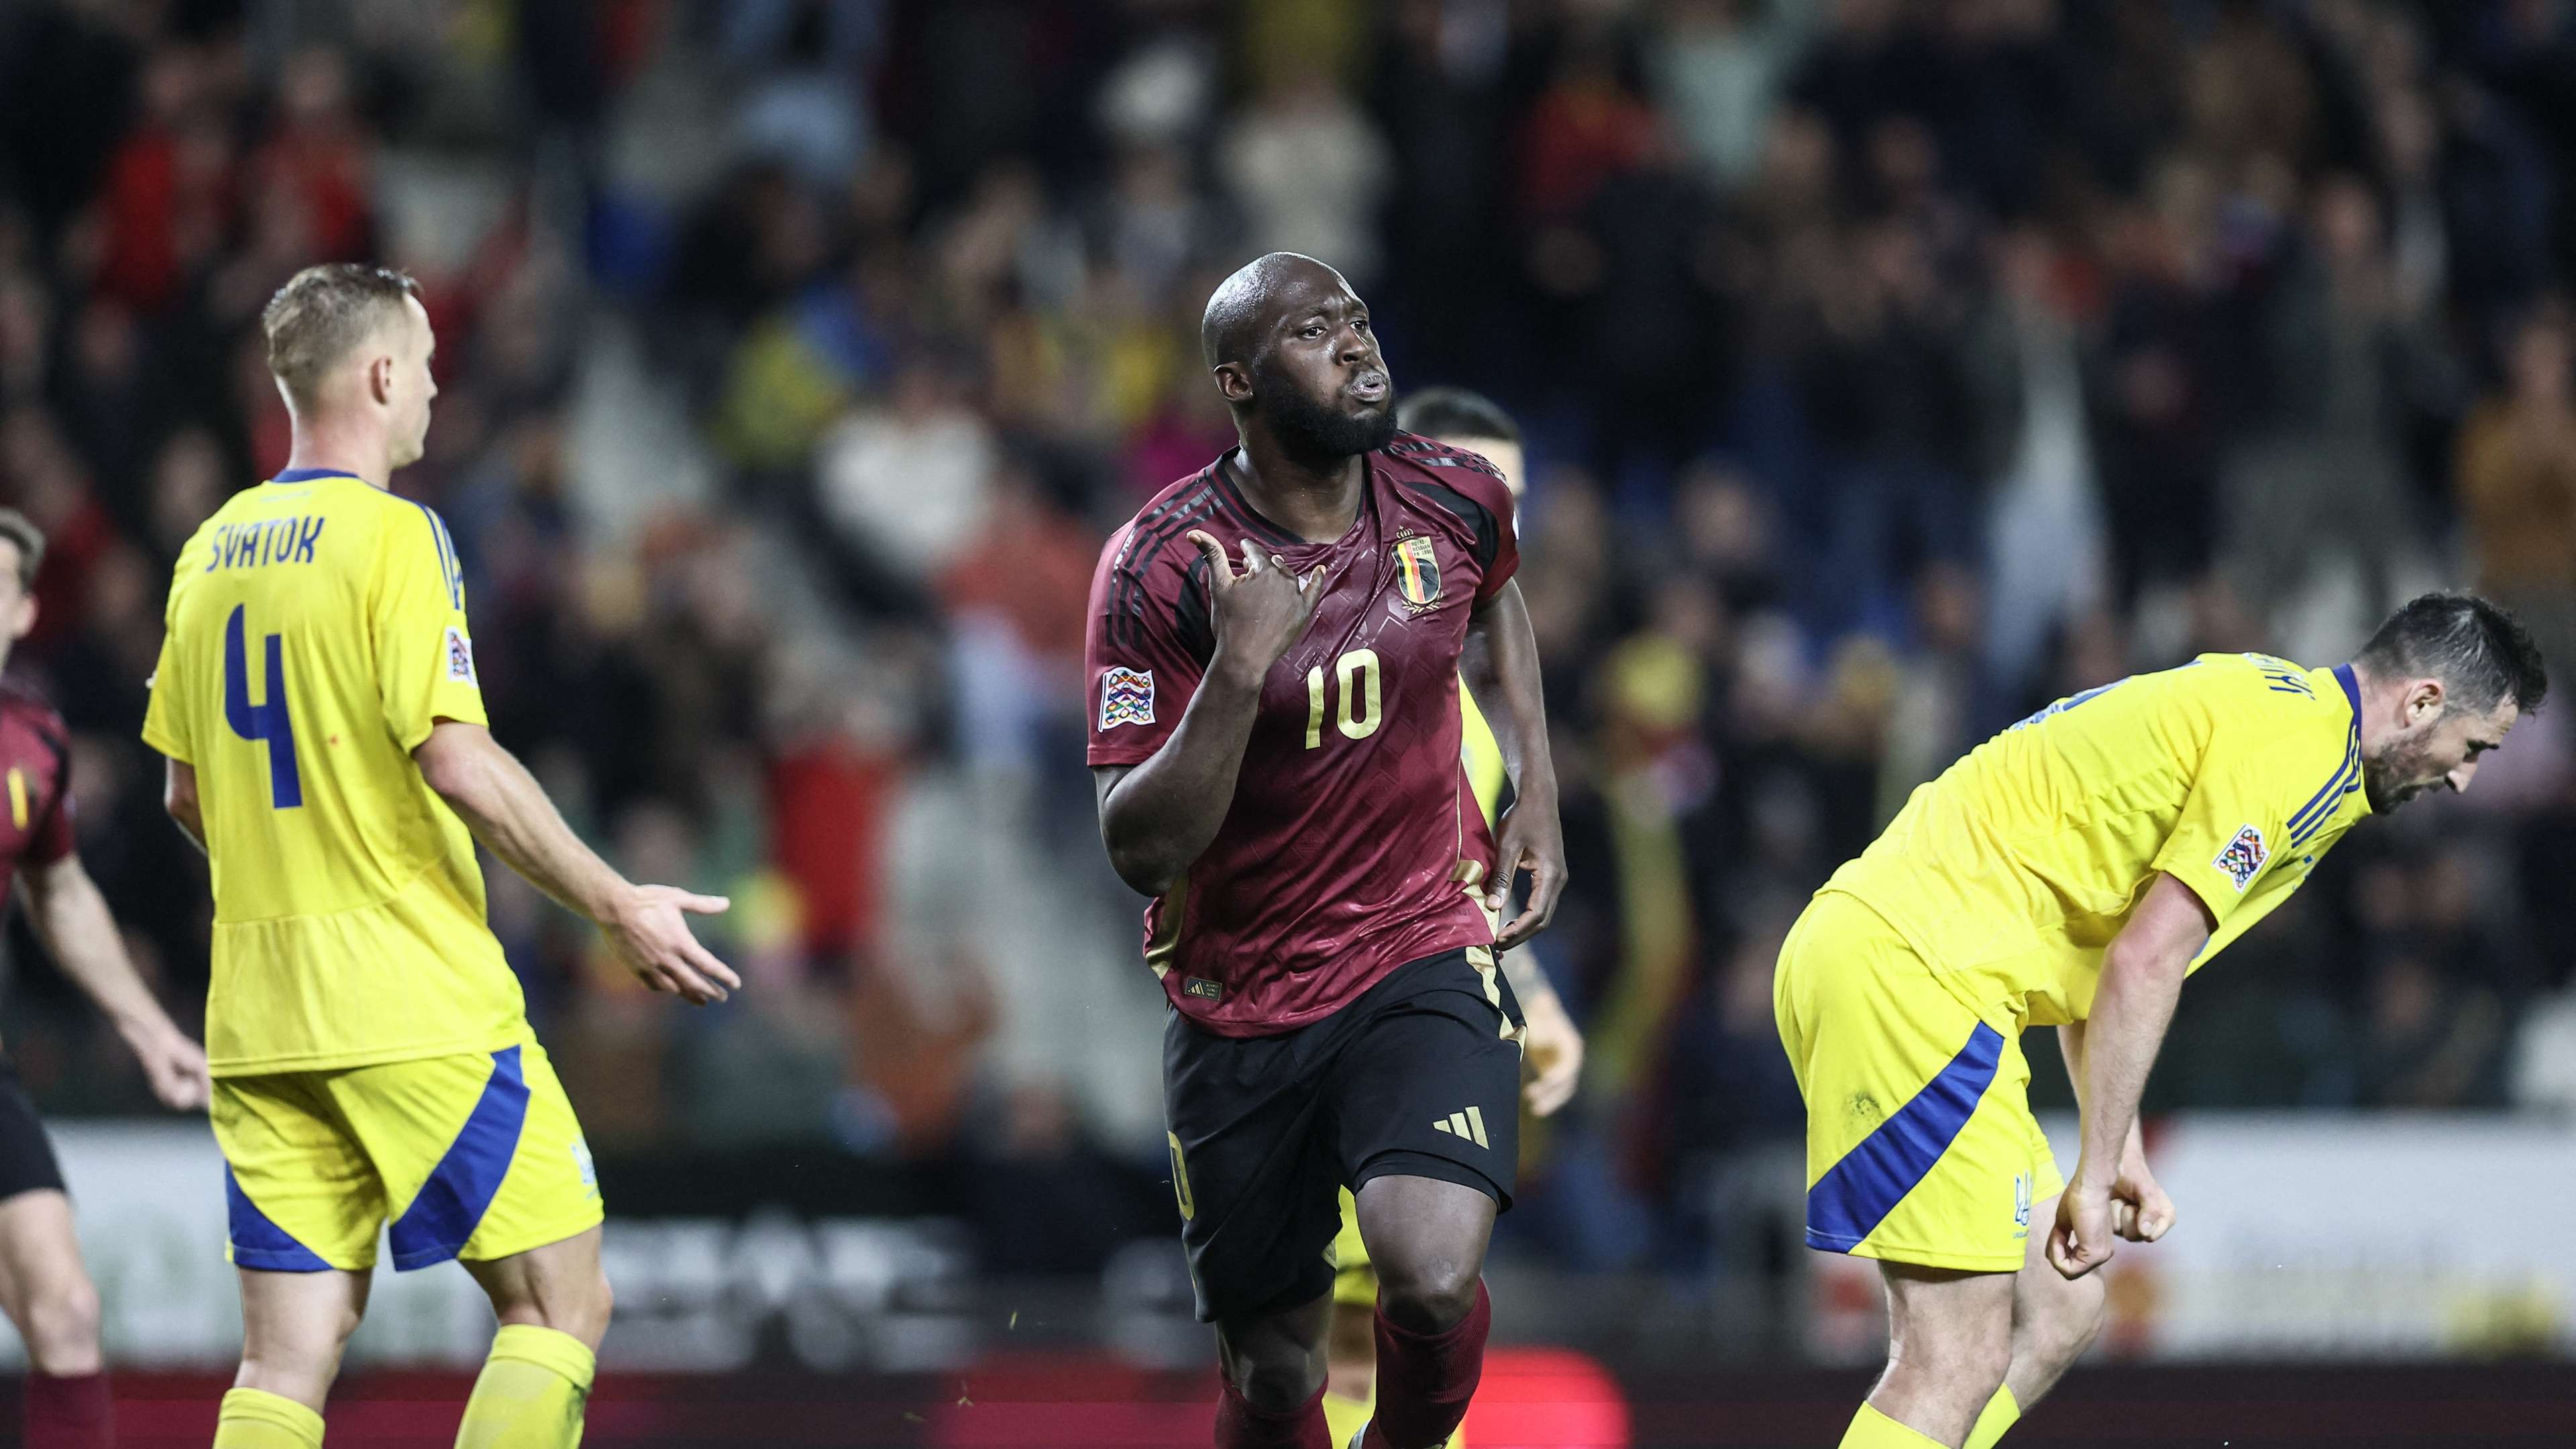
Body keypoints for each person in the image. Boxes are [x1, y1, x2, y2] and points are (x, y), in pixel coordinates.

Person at [140, 264, 740, 1449]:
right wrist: (615, 901)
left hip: (260, 1017)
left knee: (284, 1356)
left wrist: (298, 859)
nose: (431, 386)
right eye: (421, 363)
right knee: (562, 1300)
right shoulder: (397, 536)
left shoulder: (209, 550)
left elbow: (184, 792)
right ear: (375, 374)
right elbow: (459, 763)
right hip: (410, 998)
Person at [1779, 594, 2545, 1449]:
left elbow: (2101, 947)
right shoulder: (2298, 757)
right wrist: (2096, 1168)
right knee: (1950, 1358)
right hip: (1917, 977)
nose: (2464, 777)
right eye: (2474, 747)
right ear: (2423, 702)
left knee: (2061, 1308)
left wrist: (2121, 1151)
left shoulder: (2272, 701)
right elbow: (2147, 960)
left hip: (1903, 962)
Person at [1086, 254, 1565, 1449]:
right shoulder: (1162, 567)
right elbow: (1139, 849)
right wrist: (1241, 668)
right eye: (1315, 332)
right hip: (1240, 999)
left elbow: (1497, 595)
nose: (1359, 346)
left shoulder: (1453, 495)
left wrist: (1538, 794)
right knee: (1274, 1373)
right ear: (1240, 381)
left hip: (1420, 943)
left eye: (1358, 320)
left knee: (1431, 1273)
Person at [1313, 386, 1588, 1449]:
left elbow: (1450, 886)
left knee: (1410, 1337)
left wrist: (1536, 997)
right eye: (1472, 478)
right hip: (1322, 1040)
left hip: (1414, 1035)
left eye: (1512, 497)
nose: (1488, 513)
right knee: (1340, 1341)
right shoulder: (1349, 651)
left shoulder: (1472, 683)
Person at [0, 507, 211, 1448]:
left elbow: (62, 893)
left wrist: (150, 1028)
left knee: (68, 1311)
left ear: (22, 612)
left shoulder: (36, 742)